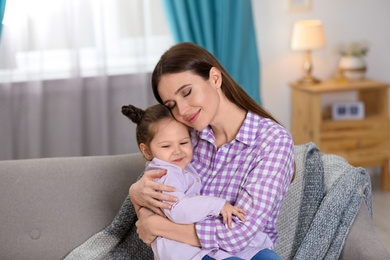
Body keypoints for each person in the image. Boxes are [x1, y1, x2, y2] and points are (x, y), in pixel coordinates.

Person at [129, 42, 295, 260]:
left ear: (215, 78)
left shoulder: (272, 141)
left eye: (187, 92)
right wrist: (135, 194)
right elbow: (159, 194)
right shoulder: (185, 138)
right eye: (171, 105)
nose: (182, 111)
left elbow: (237, 235)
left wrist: (157, 226)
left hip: (251, 254)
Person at [122, 103, 248, 260]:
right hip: (183, 252)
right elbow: (179, 210)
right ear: (147, 151)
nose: (177, 151)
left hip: (193, 247)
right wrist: (217, 204)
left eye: (183, 142)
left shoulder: (179, 168)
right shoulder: (165, 174)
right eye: (166, 146)